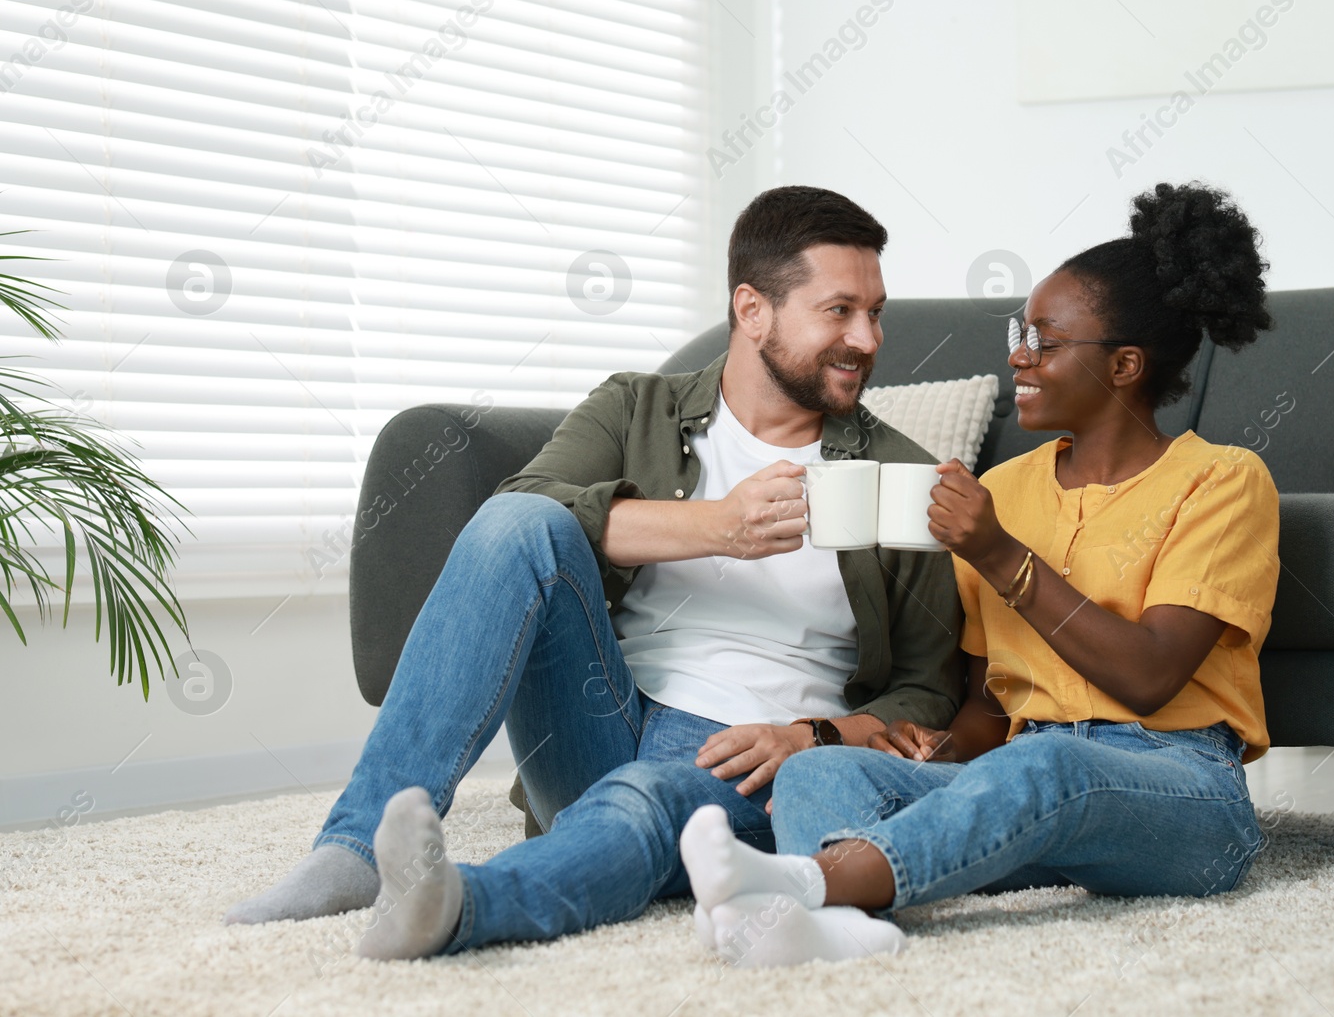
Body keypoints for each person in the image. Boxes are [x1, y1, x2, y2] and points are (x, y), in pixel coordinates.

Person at [223, 185, 964, 959]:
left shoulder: (897, 474)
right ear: (752, 310)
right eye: (839, 310)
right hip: (597, 714)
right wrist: (720, 527)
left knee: (644, 802)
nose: (868, 338)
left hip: (745, 756)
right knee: (521, 522)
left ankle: (459, 904)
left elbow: (929, 688)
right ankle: (352, 849)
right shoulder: (634, 408)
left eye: (875, 312)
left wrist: (812, 735)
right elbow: (521, 513)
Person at [677, 180, 1281, 967]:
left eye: (1046, 341)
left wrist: (999, 553)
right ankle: (842, 923)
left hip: (1181, 794)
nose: (1018, 356)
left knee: (1050, 762)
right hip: (1026, 786)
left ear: (1126, 364)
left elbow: (1149, 677)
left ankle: (805, 883)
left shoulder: (1223, 481)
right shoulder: (1005, 492)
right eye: (1018, 331)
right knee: (820, 769)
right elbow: (985, 709)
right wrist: (934, 748)